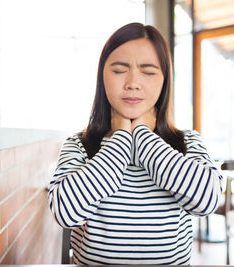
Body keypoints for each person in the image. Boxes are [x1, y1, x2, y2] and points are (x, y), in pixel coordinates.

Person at [48, 22, 223, 265]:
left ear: (164, 81)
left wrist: (141, 134)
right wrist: (120, 140)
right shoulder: (80, 144)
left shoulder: (186, 142)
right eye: (119, 70)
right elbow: (65, 213)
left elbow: (208, 201)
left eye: (148, 71)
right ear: (102, 77)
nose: (133, 82)